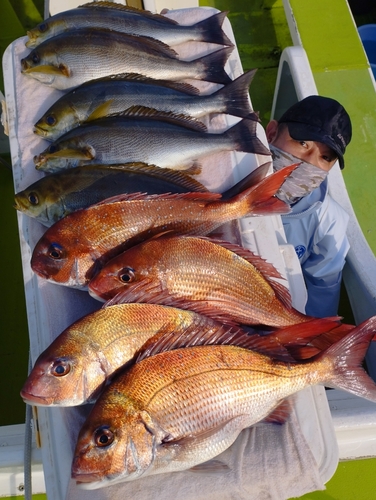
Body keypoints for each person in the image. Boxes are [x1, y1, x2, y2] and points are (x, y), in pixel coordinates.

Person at [265, 95, 352, 318]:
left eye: (325, 157)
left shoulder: (330, 221)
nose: (310, 162)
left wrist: (311, 343)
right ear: (271, 133)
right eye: (303, 143)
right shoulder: (225, 176)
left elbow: (323, 288)